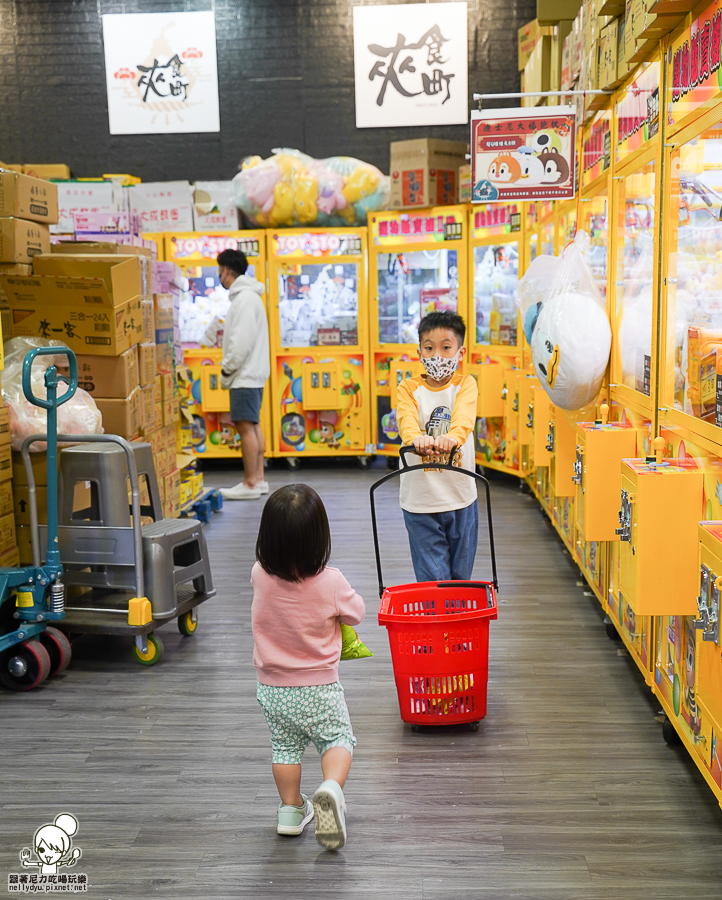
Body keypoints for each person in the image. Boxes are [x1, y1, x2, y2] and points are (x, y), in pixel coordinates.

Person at [251, 484, 365, 850]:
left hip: (271, 689)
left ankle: (290, 811)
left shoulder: (259, 573)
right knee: (337, 739)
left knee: (284, 748)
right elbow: (357, 613)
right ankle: (330, 789)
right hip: (318, 688)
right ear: (319, 538)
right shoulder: (331, 581)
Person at [397, 310, 479, 582]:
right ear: (419, 351)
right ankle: (439, 624)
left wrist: (452, 438)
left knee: (461, 578)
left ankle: (457, 625)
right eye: (429, 348)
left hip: (461, 497)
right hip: (420, 500)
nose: (437, 356)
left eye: (446, 348)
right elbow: (406, 419)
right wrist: (414, 440)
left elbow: (464, 418)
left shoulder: (465, 385)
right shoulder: (408, 388)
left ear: (460, 352)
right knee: (435, 579)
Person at [217, 248, 270, 500]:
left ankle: (250, 483)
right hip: (253, 373)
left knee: (244, 426)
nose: (220, 276)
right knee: (253, 425)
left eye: (220, 271)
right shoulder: (250, 297)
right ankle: (258, 479)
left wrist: (227, 367)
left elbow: (241, 342)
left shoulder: (244, 299)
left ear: (227, 271)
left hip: (244, 374)